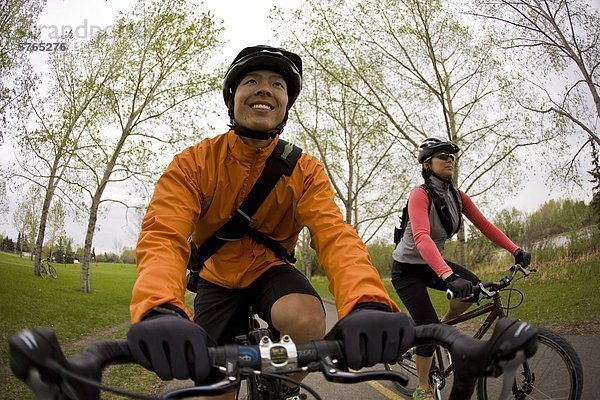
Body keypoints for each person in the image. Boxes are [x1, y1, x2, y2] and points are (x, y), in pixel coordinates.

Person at [127, 45, 415, 400]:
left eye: (278, 84)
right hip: (217, 277)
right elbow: (163, 234)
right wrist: (160, 308)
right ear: (231, 99)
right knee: (214, 390)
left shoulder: (304, 170)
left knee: (307, 319)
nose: (265, 89)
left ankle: (288, 391)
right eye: (251, 80)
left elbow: (335, 235)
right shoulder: (194, 163)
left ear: (286, 106)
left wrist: (367, 302)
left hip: (270, 270)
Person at [390, 137, 531, 400]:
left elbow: (486, 227)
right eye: (442, 156)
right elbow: (421, 237)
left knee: (474, 289)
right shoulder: (419, 195)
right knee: (428, 326)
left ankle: (441, 325)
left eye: (452, 156)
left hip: (432, 264)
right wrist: (448, 275)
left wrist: (516, 250)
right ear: (427, 164)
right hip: (407, 269)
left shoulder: (457, 196)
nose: (449, 160)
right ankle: (422, 388)